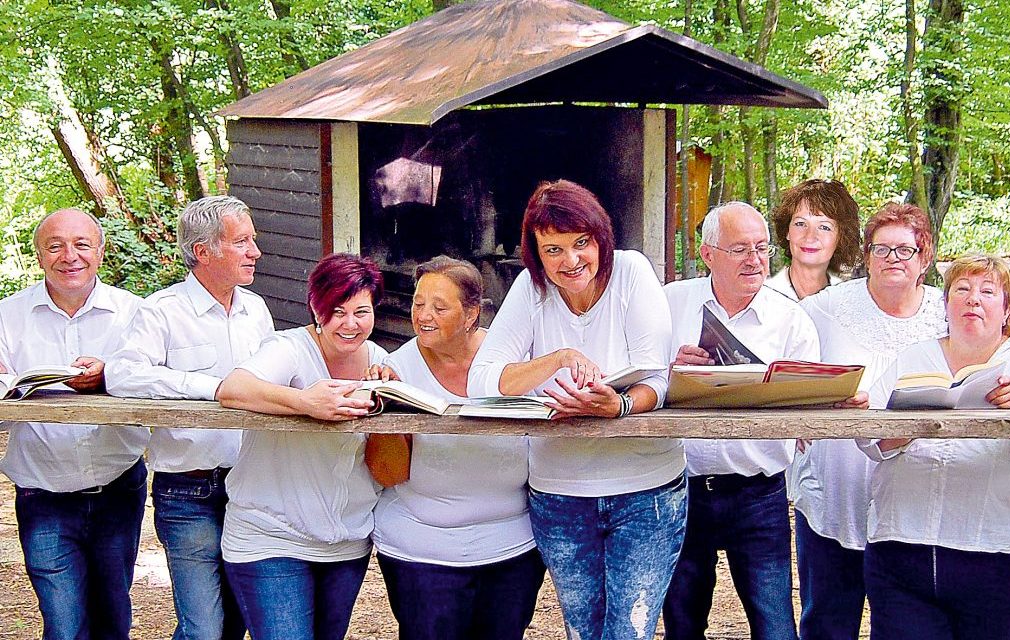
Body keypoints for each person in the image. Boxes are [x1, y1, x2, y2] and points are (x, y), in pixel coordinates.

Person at [468, 179, 682, 640]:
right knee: (582, 630)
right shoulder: (531, 289)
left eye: (581, 243)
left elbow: (657, 379)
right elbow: (481, 379)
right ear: (535, 253)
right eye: (554, 250)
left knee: (629, 633)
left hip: (645, 490)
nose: (571, 261)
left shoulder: (631, 272)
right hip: (558, 493)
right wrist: (558, 357)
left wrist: (619, 405)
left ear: (601, 237)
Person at [859, 254, 1010, 640]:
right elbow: (869, 438)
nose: (973, 299)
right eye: (961, 289)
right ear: (945, 305)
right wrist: (912, 426)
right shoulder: (912, 359)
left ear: (1007, 308)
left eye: (987, 291)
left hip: (1005, 559)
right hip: (903, 549)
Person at [107, 195, 273, 640]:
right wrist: (212, 388)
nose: (255, 252)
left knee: (240, 622)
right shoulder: (160, 311)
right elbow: (123, 374)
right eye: (242, 242)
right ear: (203, 252)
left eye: (252, 241)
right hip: (187, 490)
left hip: (254, 486)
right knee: (203, 629)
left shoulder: (255, 310)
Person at [363, 256, 545, 640]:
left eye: (439, 307)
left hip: (512, 548)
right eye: (418, 303)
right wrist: (384, 411)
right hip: (422, 551)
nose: (423, 315)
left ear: (471, 314)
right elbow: (387, 473)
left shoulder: (511, 361)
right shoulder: (396, 369)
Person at [789, 202, 947, 639]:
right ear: (866, 255)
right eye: (881, 250)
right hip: (835, 486)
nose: (892, 259)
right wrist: (816, 407)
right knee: (828, 620)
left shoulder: (947, 312)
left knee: (902, 625)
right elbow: (789, 370)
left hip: (917, 499)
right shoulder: (825, 309)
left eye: (904, 250)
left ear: (925, 258)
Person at [662, 201, 814, 640]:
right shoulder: (670, 304)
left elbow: (810, 409)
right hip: (680, 487)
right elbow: (640, 382)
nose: (754, 260)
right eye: (740, 249)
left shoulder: (790, 319)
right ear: (707, 254)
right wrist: (672, 373)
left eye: (763, 248)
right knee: (682, 623)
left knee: (776, 628)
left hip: (759, 492)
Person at [215, 253, 386, 640]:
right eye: (336, 310)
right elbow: (233, 389)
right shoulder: (289, 348)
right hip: (271, 535)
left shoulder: (380, 361)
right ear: (315, 307)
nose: (349, 324)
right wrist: (306, 403)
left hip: (346, 543)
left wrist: (390, 395)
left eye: (361, 311)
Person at [0, 208, 147, 640]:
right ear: (40, 255)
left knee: (113, 616)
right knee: (64, 625)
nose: (70, 256)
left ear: (100, 252)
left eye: (82, 244)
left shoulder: (134, 313)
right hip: (42, 489)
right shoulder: (7, 316)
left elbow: (158, 376)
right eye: (55, 245)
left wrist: (113, 375)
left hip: (117, 486)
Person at [765, 178, 863, 300]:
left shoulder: (848, 300)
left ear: (840, 238)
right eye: (800, 224)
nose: (810, 237)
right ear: (787, 231)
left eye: (824, 227)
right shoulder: (763, 298)